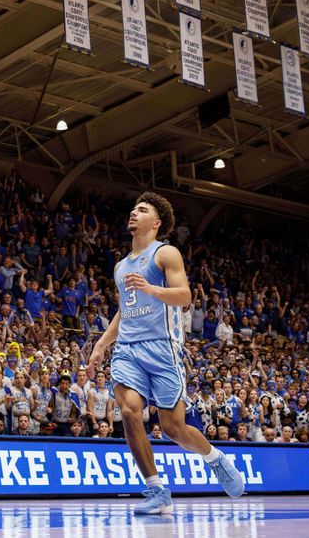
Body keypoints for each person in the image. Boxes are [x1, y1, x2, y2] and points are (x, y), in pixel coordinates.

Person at [88, 192, 244, 515]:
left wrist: (151, 289)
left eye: (142, 209)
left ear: (156, 223)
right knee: (129, 411)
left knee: (173, 428)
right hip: (128, 350)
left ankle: (214, 458)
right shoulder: (120, 267)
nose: (134, 212)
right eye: (134, 207)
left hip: (163, 348)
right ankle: (156, 489)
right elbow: (124, 311)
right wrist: (102, 344)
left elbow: (184, 296)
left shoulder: (166, 253)